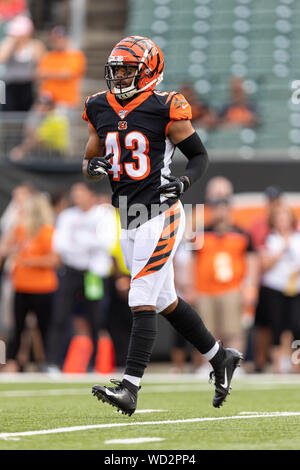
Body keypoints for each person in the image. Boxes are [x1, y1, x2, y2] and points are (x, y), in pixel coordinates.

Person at [82, 35, 243, 416]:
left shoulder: (164, 106)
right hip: (126, 215)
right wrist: (93, 168)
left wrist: (185, 183)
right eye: (116, 70)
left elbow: (199, 155)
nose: (119, 76)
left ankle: (130, 387)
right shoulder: (98, 106)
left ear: (149, 72)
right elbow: (88, 164)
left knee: (140, 297)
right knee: (163, 300)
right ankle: (221, 358)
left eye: (127, 70)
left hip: (161, 212)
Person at [47, 182, 117, 370]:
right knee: (61, 315)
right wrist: (88, 243)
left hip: (94, 273)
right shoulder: (67, 216)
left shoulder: (104, 215)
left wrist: (80, 241)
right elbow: (59, 245)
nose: (76, 197)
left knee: (95, 318)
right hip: (71, 271)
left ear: (90, 194)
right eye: (74, 193)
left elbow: (107, 242)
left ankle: (94, 363)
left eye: (80, 193)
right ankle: (54, 362)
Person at [191, 177, 258, 367]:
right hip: (205, 290)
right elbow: (190, 262)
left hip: (232, 288)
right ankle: (207, 368)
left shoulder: (241, 234)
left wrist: (250, 288)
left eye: (224, 205)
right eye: (217, 205)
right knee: (206, 333)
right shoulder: (201, 232)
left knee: (234, 331)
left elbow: (252, 262)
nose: (220, 210)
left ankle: (234, 366)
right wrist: (190, 287)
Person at [1, 192, 59, 372]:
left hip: (42, 287)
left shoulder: (48, 232)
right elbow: (5, 247)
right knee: (17, 327)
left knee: (43, 328)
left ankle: (46, 361)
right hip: (20, 285)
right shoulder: (20, 230)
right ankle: (15, 361)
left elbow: (55, 260)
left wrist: (29, 261)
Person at [255, 203, 300, 373]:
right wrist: (282, 250)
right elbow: (265, 265)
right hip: (274, 287)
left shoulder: (297, 238)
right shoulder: (269, 239)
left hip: (295, 288)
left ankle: (295, 365)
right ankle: (278, 365)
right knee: (276, 326)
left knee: (295, 326)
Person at [0, 15, 45, 111]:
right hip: (9, 84)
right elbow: (2, 58)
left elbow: (40, 63)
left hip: (28, 85)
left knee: (26, 111)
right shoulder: (9, 45)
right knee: (8, 111)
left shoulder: (35, 45)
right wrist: (11, 42)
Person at [35, 25, 86, 110]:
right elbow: (38, 74)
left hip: (65, 101)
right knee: (32, 121)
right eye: (54, 40)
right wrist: (58, 73)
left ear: (66, 39)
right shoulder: (49, 56)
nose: (57, 42)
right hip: (45, 100)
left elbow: (67, 74)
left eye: (60, 39)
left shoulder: (75, 55)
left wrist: (48, 73)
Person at [9, 91, 70, 161]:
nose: (41, 107)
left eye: (45, 105)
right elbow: (27, 131)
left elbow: (37, 139)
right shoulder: (41, 117)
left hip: (55, 155)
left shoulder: (55, 119)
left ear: (51, 106)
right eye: (39, 104)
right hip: (46, 153)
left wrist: (21, 150)